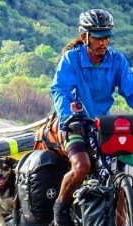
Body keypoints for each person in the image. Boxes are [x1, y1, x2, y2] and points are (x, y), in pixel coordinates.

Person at [50, 8, 133, 226]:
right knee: (82, 166)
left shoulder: (117, 61)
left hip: (102, 125)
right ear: (85, 36)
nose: (103, 42)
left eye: (107, 37)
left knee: (120, 166)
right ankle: (61, 207)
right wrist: (69, 115)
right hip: (74, 123)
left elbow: (131, 90)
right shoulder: (71, 59)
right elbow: (60, 90)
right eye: (98, 37)